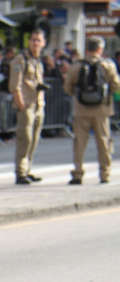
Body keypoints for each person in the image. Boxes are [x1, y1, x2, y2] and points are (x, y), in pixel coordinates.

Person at [63, 36, 120, 185]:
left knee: (79, 143)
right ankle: (105, 174)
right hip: (102, 110)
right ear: (100, 49)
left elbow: (67, 88)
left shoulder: (76, 66)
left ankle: (78, 173)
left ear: (87, 48)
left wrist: (79, 96)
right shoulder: (108, 65)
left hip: (81, 110)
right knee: (104, 142)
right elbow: (116, 86)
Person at [9, 29, 46, 185]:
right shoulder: (21, 59)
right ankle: (21, 172)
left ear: (43, 43)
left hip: (38, 104)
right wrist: (20, 104)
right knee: (25, 138)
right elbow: (14, 84)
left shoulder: (37, 60)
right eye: (33, 40)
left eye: (38, 40)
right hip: (26, 105)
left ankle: (28, 169)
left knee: (34, 139)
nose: (35, 43)